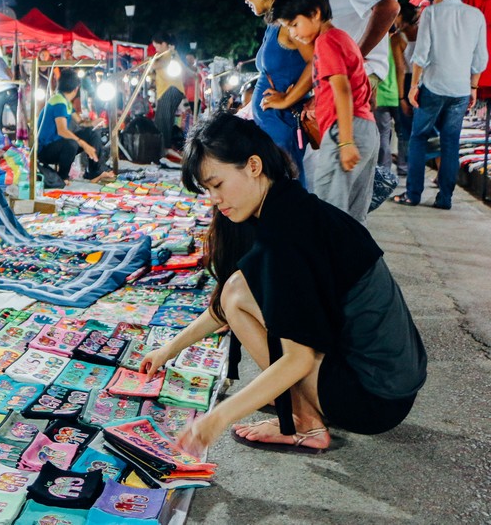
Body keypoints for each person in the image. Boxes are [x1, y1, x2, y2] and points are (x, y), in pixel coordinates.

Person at [141, 113, 426, 455]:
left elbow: (297, 360)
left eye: (217, 185)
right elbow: (228, 306)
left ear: (253, 166)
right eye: (207, 190)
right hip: (393, 385)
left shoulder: (284, 236)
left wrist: (213, 421)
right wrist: (168, 350)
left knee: (236, 294)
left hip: (373, 398)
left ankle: (306, 425)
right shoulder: (290, 206)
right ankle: (306, 409)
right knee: (237, 291)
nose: (214, 199)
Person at [273, 0, 378, 223]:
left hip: (346, 129)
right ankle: (355, 260)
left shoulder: (326, 42)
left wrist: (345, 141)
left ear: (315, 14)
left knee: (328, 212)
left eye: (294, 24)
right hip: (364, 127)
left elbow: (342, 90)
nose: (293, 33)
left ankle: (330, 260)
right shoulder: (341, 38)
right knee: (352, 216)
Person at [394, 0, 488, 209]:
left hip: (434, 86)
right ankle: (445, 198)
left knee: (418, 138)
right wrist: (473, 86)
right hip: (460, 90)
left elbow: (421, 55)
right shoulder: (475, 15)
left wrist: (413, 86)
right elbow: (481, 57)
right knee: (450, 143)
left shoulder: (431, 14)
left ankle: (413, 194)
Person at [313, 0, 399, 173]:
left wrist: (356, 57)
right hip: (345, 75)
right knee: (340, 170)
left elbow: (388, 6)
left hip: (352, 77)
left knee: (341, 169)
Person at [237, 0, 312, 187]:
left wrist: (288, 98)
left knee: (287, 190)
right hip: (271, 127)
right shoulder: (275, 22)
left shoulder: (289, 22)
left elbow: (318, 61)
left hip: (282, 128)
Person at [36, 68, 109, 182]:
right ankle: (62, 177)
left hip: (57, 145)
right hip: (45, 150)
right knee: (72, 143)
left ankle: (95, 173)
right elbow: (62, 131)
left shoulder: (65, 102)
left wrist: (93, 123)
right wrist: (83, 144)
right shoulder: (59, 102)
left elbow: (81, 122)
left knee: (91, 133)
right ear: (76, 88)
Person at [390, 5, 419, 178]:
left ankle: (406, 168)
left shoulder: (397, 39)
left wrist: (401, 97)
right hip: (425, 82)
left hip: (408, 82)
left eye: (396, 17)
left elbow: (400, 69)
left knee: (407, 130)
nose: (394, 21)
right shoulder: (423, 32)